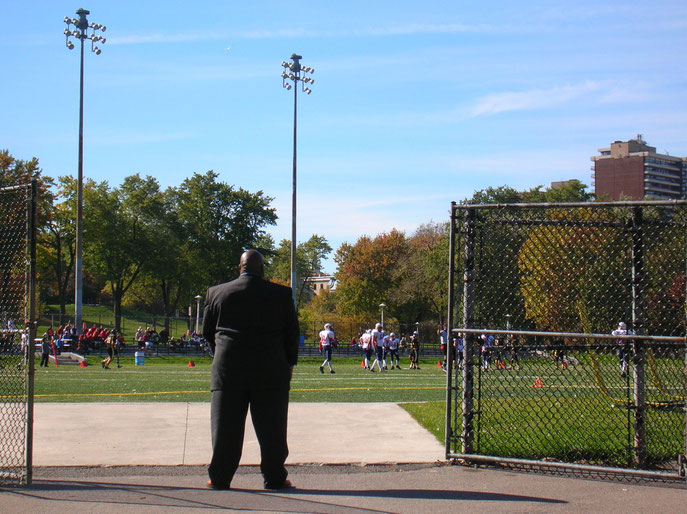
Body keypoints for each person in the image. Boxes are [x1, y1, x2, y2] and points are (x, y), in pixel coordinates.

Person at [202, 249, 299, 491]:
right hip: (270, 368)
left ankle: (220, 477)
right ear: (262, 269)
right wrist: (289, 363)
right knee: (272, 429)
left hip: (229, 367)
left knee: (225, 426)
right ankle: (275, 476)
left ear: (240, 267)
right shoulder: (282, 294)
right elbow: (292, 334)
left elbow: (207, 331)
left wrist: (221, 352)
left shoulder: (216, 293)